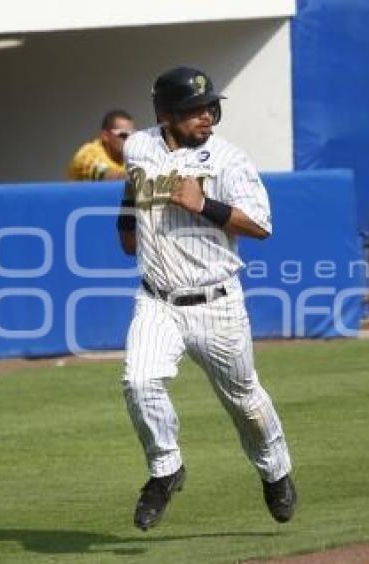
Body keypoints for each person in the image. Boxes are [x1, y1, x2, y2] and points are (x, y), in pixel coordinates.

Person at [115, 66, 296, 531]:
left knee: (244, 400)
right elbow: (135, 185)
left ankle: (275, 470)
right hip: (157, 301)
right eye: (192, 111)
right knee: (139, 383)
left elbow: (260, 226)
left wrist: (203, 205)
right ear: (165, 115)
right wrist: (127, 220)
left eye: (208, 108)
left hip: (217, 303)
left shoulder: (230, 160)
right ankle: (166, 468)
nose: (205, 118)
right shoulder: (139, 146)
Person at [66, 110, 134, 181]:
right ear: (105, 136)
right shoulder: (88, 154)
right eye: (123, 135)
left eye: (132, 135)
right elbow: (108, 176)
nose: (129, 140)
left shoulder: (130, 158)